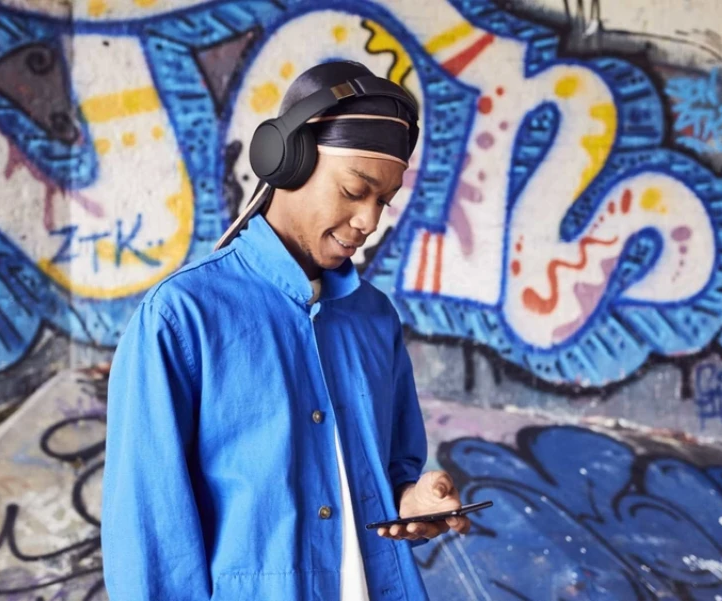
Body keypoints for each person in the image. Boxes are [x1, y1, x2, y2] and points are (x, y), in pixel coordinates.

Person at [101, 60, 470, 601]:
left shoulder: (375, 317)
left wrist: (412, 502)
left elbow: (389, 473)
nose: (369, 221)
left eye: (383, 201)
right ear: (288, 160)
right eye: (355, 189)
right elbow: (151, 536)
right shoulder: (181, 316)